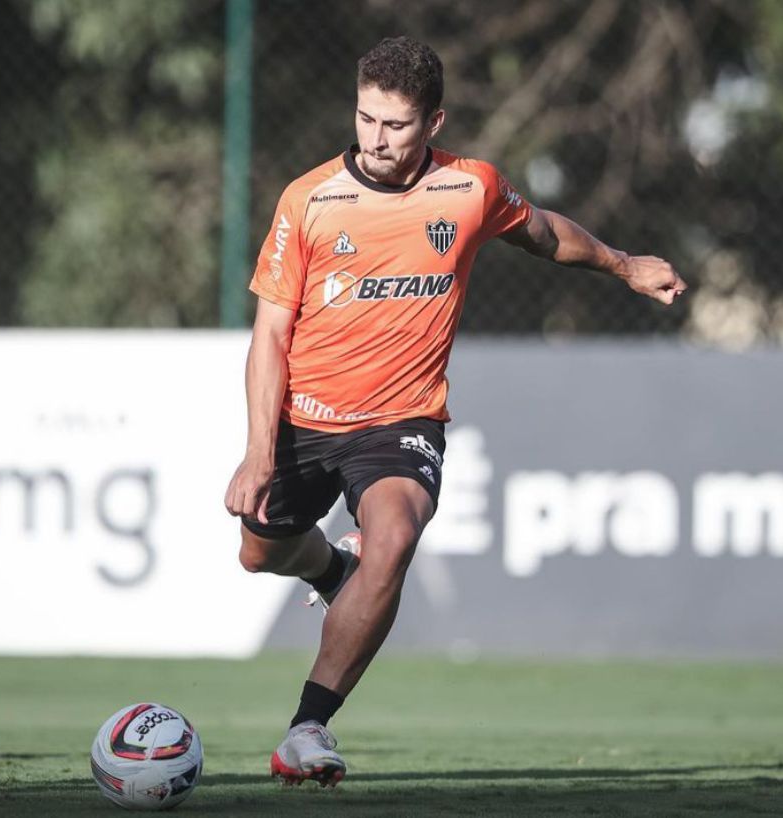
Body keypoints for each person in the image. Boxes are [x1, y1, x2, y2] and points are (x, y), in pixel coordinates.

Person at [224, 36, 686, 787]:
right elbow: (270, 336)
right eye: (365, 118)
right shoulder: (308, 201)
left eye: (395, 124)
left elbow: (543, 233)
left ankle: (308, 727)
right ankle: (333, 568)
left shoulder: (469, 189)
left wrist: (625, 265)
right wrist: (256, 452)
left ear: (433, 123)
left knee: (395, 538)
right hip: (304, 419)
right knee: (260, 554)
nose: (375, 139)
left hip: (401, 421)